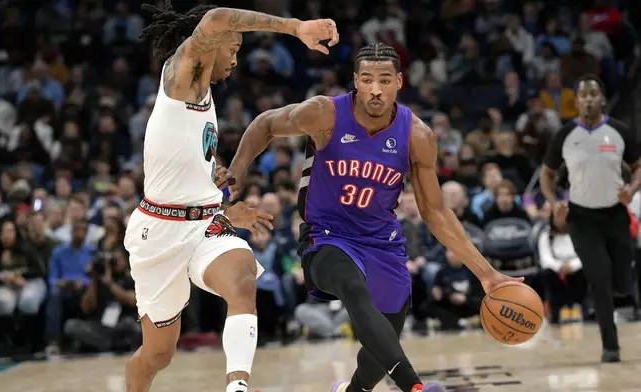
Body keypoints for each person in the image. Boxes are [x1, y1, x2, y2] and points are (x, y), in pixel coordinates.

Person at [217, 43, 521, 392]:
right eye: (367, 79)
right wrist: (239, 169)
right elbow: (264, 124)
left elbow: (434, 211)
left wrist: (488, 275)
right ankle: (414, 386)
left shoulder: (417, 135)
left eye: (385, 80)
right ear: (356, 82)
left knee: (384, 338)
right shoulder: (324, 114)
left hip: (382, 243)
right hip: (326, 236)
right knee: (353, 288)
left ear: (399, 82)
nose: (376, 89)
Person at [124, 2, 338, 392]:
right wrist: (295, 27)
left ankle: (237, 386)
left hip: (204, 225)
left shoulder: (203, 96)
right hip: (158, 232)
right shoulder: (180, 74)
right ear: (213, 44)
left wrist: (221, 199)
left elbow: (189, 168)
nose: (236, 60)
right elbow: (216, 18)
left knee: (242, 277)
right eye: (234, 49)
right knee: (158, 355)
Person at [540, 74, 641, 363]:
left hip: (616, 215)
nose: (588, 99)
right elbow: (547, 174)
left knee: (621, 281)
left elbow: (637, 166)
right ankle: (611, 346)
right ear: (577, 100)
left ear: (602, 99)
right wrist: (553, 201)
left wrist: (632, 189)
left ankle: (620, 288)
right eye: (582, 95)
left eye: (593, 94)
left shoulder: (619, 131)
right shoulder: (564, 135)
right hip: (582, 219)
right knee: (599, 276)